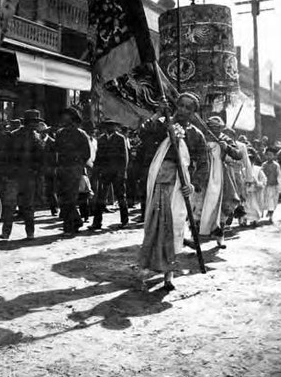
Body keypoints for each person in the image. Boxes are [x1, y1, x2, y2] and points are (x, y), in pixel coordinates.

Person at [139, 93, 209, 293]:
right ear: (176, 106)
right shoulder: (162, 126)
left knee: (176, 225)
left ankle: (169, 274)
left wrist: (193, 185)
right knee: (156, 223)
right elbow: (143, 134)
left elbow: (203, 164)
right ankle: (148, 267)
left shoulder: (196, 135)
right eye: (181, 105)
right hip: (160, 180)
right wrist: (158, 113)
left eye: (189, 107)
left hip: (180, 185)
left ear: (194, 112)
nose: (184, 110)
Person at [200, 117, 242, 248]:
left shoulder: (226, 138)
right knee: (201, 203)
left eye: (217, 127)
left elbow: (238, 154)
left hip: (220, 173)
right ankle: (197, 235)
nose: (214, 129)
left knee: (223, 204)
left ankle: (220, 235)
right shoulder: (203, 137)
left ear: (221, 128)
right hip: (205, 172)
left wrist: (228, 147)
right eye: (211, 126)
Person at [6, 110, 45, 240]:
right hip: (23, 176)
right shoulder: (35, 137)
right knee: (25, 206)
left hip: (19, 175)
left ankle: (9, 232)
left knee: (12, 205)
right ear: (28, 123)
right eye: (34, 122)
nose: (34, 125)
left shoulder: (14, 135)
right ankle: (29, 233)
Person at [55, 108, 91, 236]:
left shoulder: (81, 134)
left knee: (70, 198)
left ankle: (69, 227)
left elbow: (87, 153)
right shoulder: (59, 133)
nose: (64, 120)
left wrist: (77, 164)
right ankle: (76, 221)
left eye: (67, 117)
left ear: (73, 119)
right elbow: (56, 151)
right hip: (62, 169)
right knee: (63, 198)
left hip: (74, 170)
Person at [90, 119, 129, 230]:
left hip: (117, 173)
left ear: (115, 127)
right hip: (105, 173)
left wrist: (122, 173)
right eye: (107, 126)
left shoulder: (120, 138)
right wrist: (96, 172)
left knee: (121, 197)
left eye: (111, 125)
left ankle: (124, 221)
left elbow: (125, 158)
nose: (109, 128)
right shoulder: (101, 139)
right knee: (100, 198)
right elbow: (98, 157)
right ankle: (97, 223)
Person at [262, 146, 281, 224]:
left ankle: (271, 215)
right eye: (267, 155)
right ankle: (268, 212)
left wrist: (280, 186)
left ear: (274, 156)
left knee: (273, 201)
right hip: (266, 186)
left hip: (273, 186)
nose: (269, 156)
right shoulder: (264, 165)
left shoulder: (276, 165)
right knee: (267, 201)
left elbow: (279, 176)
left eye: (271, 155)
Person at [245, 152, 267, 227]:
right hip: (246, 191)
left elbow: (263, 180)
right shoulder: (243, 169)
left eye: (251, 161)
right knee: (245, 206)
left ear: (253, 161)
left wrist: (257, 183)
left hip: (255, 191)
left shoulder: (258, 169)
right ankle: (244, 220)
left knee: (254, 206)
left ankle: (254, 220)